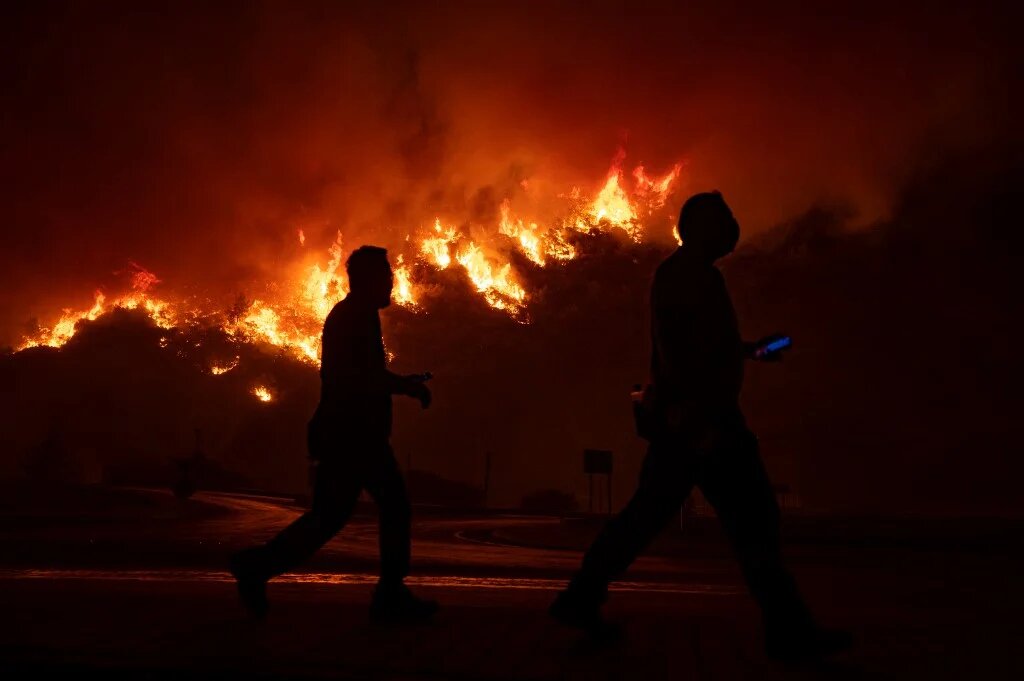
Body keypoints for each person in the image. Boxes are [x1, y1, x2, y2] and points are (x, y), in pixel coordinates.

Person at [550, 192, 851, 660]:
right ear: (698, 228)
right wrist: (701, 421)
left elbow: (705, 347)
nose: (732, 229)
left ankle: (580, 599)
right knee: (754, 523)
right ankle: (791, 634)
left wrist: (750, 351)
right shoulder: (686, 277)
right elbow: (681, 354)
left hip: (693, 422)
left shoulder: (695, 275)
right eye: (723, 221)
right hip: (705, 424)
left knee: (648, 518)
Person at [230, 245, 437, 623]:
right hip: (353, 435)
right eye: (386, 274)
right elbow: (359, 377)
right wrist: (407, 388)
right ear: (368, 280)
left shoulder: (357, 316)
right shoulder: (354, 318)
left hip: (350, 433)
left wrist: (399, 384)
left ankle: (256, 568)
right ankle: (390, 597)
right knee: (390, 507)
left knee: (329, 518)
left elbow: (363, 375)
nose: (392, 281)